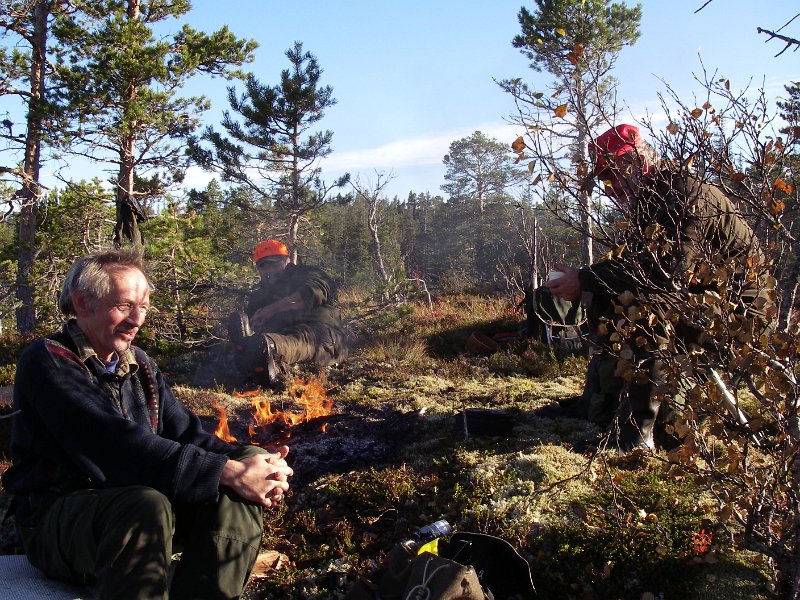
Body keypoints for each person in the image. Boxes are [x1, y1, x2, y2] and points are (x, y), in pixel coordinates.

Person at [1, 250, 293, 600]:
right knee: (147, 502)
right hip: (60, 520)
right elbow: (114, 447)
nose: (136, 319)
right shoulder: (48, 361)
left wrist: (261, 467)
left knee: (246, 459)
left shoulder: (138, 363)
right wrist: (227, 471)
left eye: (144, 307)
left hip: (144, 511)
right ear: (82, 303)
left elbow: (189, 434)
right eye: (124, 306)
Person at [543, 123, 773, 451]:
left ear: (639, 162)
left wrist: (585, 278)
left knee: (644, 308)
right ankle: (601, 407)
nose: (610, 188)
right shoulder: (654, 199)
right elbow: (641, 269)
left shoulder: (679, 192)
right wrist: (586, 283)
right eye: (604, 180)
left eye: (614, 175)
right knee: (613, 298)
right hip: (708, 302)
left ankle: (638, 438)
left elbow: (666, 274)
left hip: (741, 311)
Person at [229, 239, 349, 386]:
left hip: (320, 334)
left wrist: (271, 310)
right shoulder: (260, 295)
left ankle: (268, 350)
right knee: (251, 349)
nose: (270, 270)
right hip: (280, 337)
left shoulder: (307, 274)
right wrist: (254, 323)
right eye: (263, 266)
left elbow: (312, 293)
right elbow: (255, 320)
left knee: (295, 342)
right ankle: (258, 358)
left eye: (274, 263)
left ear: (287, 260)